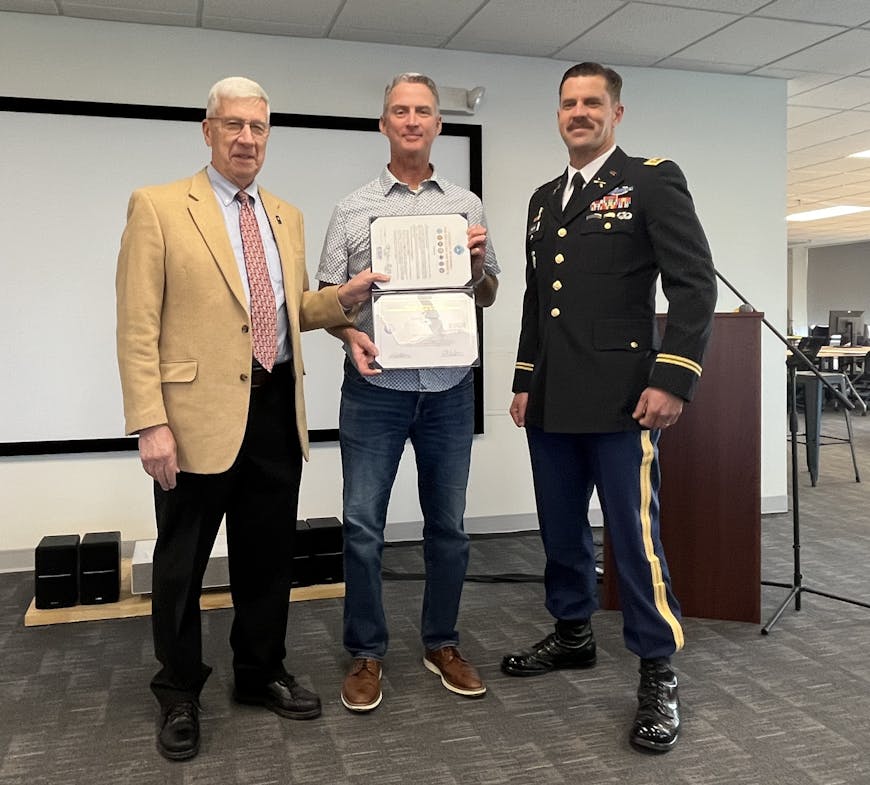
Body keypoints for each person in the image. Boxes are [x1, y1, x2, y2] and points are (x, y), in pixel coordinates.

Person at [115, 76, 383, 761]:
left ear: (269, 135)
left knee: (267, 560)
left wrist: (338, 300)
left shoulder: (285, 215)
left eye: (257, 127)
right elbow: (136, 323)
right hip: (194, 416)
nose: (245, 138)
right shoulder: (159, 206)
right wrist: (150, 419)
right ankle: (178, 690)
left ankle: (259, 671)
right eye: (231, 125)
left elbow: (289, 308)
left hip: (274, 409)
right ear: (207, 131)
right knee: (181, 565)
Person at [502, 62, 717, 753]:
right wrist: (524, 378)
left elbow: (694, 286)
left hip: (627, 400)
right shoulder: (542, 199)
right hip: (553, 397)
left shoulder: (650, 179)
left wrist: (674, 377)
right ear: (558, 113)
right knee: (561, 529)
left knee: (634, 538)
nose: (579, 112)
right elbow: (540, 298)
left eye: (593, 102)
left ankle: (658, 668)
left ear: (616, 113)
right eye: (569, 102)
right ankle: (572, 633)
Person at [317, 72, 500, 713]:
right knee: (363, 529)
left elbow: (490, 292)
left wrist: (476, 270)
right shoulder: (353, 208)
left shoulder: (467, 206)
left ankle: (441, 642)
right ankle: (366, 653)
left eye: (424, 111)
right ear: (384, 123)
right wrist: (349, 333)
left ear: (438, 124)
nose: (413, 121)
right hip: (377, 390)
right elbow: (323, 302)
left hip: (449, 388)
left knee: (448, 528)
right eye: (401, 111)